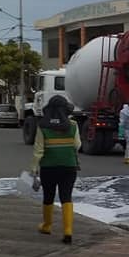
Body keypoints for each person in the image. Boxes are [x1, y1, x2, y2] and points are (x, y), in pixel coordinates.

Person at [31, 95, 81, 244]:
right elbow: (77, 145)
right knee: (66, 196)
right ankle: (68, 231)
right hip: (69, 166)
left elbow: (38, 150)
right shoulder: (73, 125)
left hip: (48, 167)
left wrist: (34, 169)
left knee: (48, 196)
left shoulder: (43, 126)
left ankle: (47, 226)